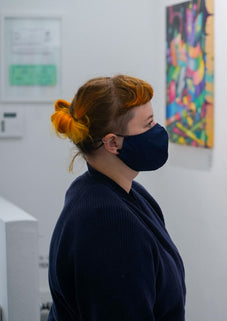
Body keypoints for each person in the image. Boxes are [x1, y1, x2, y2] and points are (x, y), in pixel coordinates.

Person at [48, 75, 186, 321]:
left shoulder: (118, 192)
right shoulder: (108, 223)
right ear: (112, 142)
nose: (157, 131)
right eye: (148, 124)